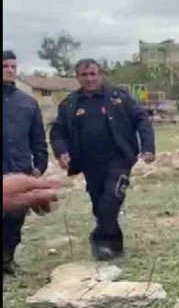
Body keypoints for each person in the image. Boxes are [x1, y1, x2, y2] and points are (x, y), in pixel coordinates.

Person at [49, 58, 156, 261]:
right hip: (89, 163)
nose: (89, 79)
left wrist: (148, 148)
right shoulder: (70, 103)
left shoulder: (119, 97)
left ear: (101, 74)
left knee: (111, 198)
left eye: (93, 74)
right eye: (84, 75)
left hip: (119, 159)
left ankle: (100, 239)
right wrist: (60, 150)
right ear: (77, 77)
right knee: (99, 205)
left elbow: (142, 118)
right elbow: (57, 131)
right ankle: (112, 246)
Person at [3, 49, 49, 275]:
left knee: (15, 218)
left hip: (19, 169)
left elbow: (38, 138)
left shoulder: (28, 103)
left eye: (13, 66)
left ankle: (7, 258)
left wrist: (40, 166)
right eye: (5, 66)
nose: (10, 70)